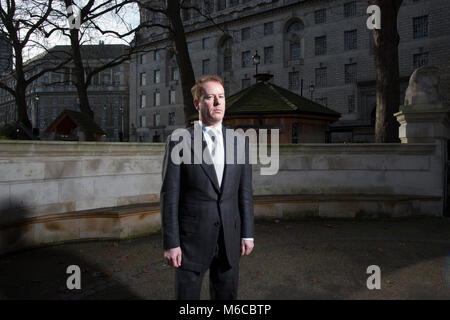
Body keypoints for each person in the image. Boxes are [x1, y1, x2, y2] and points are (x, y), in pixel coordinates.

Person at [160, 75, 254, 300]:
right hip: (190, 241)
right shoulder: (179, 141)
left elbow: (245, 193)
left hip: (229, 239)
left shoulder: (239, 141)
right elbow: (169, 196)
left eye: (221, 97)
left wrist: (247, 233)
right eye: (210, 97)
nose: (218, 103)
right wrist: (171, 242)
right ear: (197, 103)